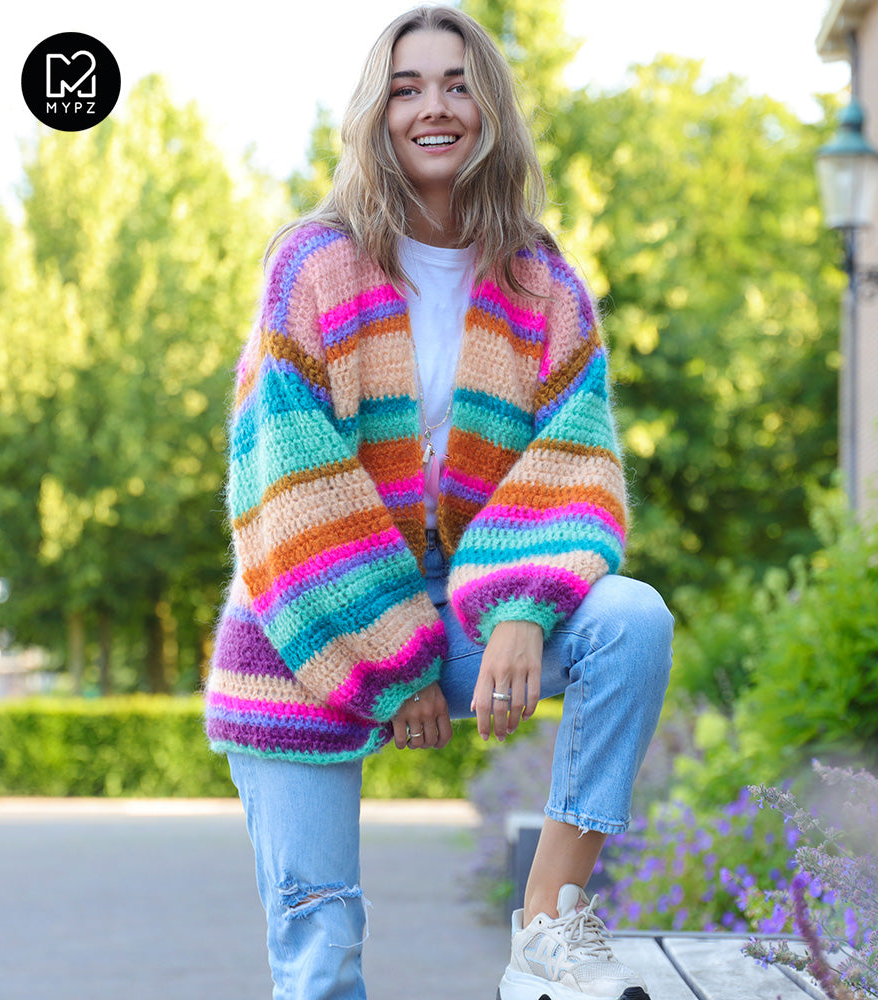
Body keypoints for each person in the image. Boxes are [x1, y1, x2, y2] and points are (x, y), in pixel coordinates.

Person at [204, 6, 674, 999]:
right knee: (321, 947)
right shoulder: (313, 265)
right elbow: (287, 484)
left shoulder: (542, 283)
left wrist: (523, 607)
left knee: (630, 621)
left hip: (472, 607)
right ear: (375, 113)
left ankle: (549, 918)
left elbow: (574, 461)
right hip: (308, 624)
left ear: (489, 108)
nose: (434, 107)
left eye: (458, 84)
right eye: (407, 87)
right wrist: (393, 658)